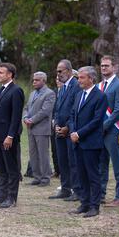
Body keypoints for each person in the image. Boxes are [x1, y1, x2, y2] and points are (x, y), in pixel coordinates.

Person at [69, 66, 108, 218]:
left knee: (93, 175)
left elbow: (97, 120)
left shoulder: (100, 96)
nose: (79, 80)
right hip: (77, 141)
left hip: (91, 142)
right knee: (81, 174)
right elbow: (72, 115)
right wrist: (72, 131)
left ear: (91, 79)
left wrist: (79, 133)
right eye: (78, 78)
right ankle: (84, 203)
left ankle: (94, 206)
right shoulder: (79, 94)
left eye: (82, 78)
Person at [0, 63, 25, 208]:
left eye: (1, 73)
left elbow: (16, 116)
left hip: (8, 138)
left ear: (10, 75)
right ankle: (1, 195)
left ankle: (11, 198)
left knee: (11, 168)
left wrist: (10, 136)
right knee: (1, 168)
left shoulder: (16, 91)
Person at [98, 56, 119, 207]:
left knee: (117, 165)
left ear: (114, 67)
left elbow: (118, 111)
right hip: (99, 132)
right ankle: (101, 194)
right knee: (101, 164)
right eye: (102, 66)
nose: (103, 68)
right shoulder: (100, 85)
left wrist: (103, 126)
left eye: (107, 66)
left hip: (113, 130)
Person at [50, 60, 82, 201]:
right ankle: (65, 188)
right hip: (59, 131)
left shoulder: (76, 86)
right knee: (62, 161)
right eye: (57, 71)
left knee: (73, 161)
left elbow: (75, 110)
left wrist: (67, 128)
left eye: (60, 71)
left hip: (71, 130)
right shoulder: (62, 88)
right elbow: (58, 109)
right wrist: (56, 124)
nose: (58, 74)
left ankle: (77, 190)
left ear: (69, 71)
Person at [23, 72, 56, 187]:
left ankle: (45, 178)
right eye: (33, 80)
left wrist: (31, 120)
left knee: (43, 154)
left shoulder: (50, 94)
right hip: (31, 128)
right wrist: (25, 117)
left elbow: (45, 111)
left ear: (43, 81)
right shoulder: (32, 94)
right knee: (33, 154)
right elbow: (26, 108)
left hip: (42, 128)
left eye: (37, 80)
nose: (34, 82)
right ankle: (36, 177)